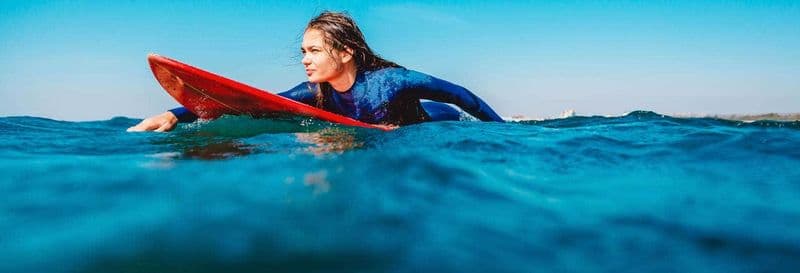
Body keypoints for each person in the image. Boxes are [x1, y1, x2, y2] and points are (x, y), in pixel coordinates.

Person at [128, 11, 504, 132]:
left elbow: (460, 95)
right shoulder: (313, 91)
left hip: (438, 121)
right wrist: (173, 114)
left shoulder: (392, 83)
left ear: (345, 52)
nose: (305, 59)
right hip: (370, 133)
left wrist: (502, 133)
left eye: (313, 51)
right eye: (302, 51)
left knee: (447, 111)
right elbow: (246, 105)